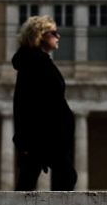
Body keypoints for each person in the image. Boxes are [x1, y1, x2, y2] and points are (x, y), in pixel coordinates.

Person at [11, 15, 78, 192]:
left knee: (29, 180)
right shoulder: (35, 63)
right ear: (40, 35)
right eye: (54, 33)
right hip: (44, 135)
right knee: (65, 176)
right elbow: (24, 102)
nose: (59, 37)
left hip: (44, 135)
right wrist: (24, 139)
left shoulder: (36, 61)